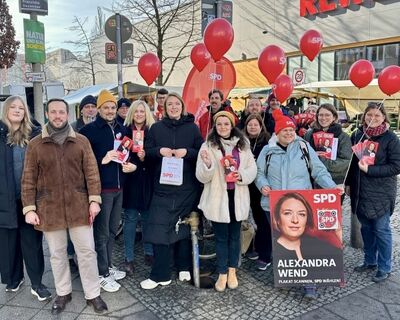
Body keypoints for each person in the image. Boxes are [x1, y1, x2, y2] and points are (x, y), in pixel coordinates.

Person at [21, 98, 107, 314]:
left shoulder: (81, 141)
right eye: (53, 112)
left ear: (67, 114)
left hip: (79, 206)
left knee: (87, 252)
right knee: (57, 254)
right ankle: (63, 292)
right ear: (47, 114)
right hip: (49, 208)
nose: (58, 116)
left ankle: (93, 293)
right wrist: (29, 208)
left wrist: (94, 200)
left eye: (61, 112)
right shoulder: (35, 144)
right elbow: (28, 177)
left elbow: (92, 172)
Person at [255, 109, 341, 299]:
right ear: (277, 133)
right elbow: (259, 173)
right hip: (274, 205)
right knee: (283, 242)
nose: (289, 133)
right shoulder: (268, 151)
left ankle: (309, 283)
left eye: (291, 130)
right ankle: (288, 277)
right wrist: (263, 185)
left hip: (301, 204)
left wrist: (332, 188)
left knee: (305, 243)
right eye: (284, 130)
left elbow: (318, 171)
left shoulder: (303, 147)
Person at [140, 93, 203, 290]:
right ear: (164, 107)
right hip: (162, 188)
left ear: (182, 106)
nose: (174, 107)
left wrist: (188, 153)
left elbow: (201, 152)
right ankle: (161, 274)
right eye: (170, 104)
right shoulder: (156, 128)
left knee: (184, 227)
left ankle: (184, 266)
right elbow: (146, 153)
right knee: (159, 229)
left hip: (187, 188)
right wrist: (159, 151)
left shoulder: (192, 128)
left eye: (177, 104)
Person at [80, 90, 136, 292]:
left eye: (113, 107)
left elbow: (128, 156)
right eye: (106, 107)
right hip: (101, 189)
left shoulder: (123, 129)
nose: (111, 111)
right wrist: (101, 160)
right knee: (102, 233)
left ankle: (108, 266)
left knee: (113, 230)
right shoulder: (89, 131)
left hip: (119, 188)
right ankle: (101, 273)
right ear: (99, 109)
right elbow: (81, 162)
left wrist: (130, 166)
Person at [196, 111, 257, 292]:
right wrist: (208, 165)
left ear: (232, 126)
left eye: (226, 124)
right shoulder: (207, 146)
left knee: (235, 237)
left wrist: (242, 175)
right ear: (215, 126)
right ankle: (222, 272)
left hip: (237, 198)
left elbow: (252, 169)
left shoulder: (243, 145)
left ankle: (232, 271)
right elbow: (201, 176)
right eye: (219, 124)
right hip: (217, 199)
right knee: (221, 238)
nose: (223, 127)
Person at [0, 96, 51, 301]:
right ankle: (14, 279)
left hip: (30, 200)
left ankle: (37, 284)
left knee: (32, 243)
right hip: (5, 198)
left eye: (21, 107)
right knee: (8, 243)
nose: (17, 110)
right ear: (6, 110)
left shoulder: (35, 134)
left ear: (26, 112)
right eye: (13, 107)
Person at [346, 102, 400, 283]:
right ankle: (370, 261)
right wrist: (348, 184)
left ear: (384, 117)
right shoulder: (357, 135)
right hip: (360, 191)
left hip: (381, 192)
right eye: (369, 115)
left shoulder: (391, 139)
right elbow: (352, 165)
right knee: (366, 229)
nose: (373, 118)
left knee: (381, 229)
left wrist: (371, 170)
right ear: (364, 117)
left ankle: (385, 267)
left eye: (377, 115)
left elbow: (396, 166)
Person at [272, 192, 343, 281]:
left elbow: (338, 259)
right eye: (287, 213)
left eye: (301, 214)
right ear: (277, 219)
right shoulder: (276, 250)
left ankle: (310, 287)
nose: (295, 220)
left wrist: (338, 230)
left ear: (306, 219)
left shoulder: (315, 243)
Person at [121, 100, 155, 275]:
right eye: (136, 111)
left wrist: (144, 158)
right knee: (131, 218)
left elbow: (157, 157)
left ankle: (149, 252)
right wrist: (131, 164)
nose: (139, 114)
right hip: (132, 182)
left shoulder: (153, 131)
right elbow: (121, 155)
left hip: (148, 180)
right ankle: (129, 258)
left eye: (142, 111)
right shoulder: (125, 131)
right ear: (131, 113)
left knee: (148, 218)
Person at [243, 114, 272, 271]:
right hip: (244, 185)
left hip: (261, 187)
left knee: (262, 221)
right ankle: (248, 247)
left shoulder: (268, 142)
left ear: (261, 126)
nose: (252, 127)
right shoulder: (241, 142)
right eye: (250, 125)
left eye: (256, 125)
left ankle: (264, 253)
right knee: (245, 218)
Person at [304, 104, 352, 192]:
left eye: (327, 115)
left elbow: (346, 162)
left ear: (334, 117)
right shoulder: (309, 135)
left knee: (332, 206)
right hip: (312, 180)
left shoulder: (343, 137)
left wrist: (320, 159)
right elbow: (303, 156)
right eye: (321, 115)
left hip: (334, 180)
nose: (323, 118)